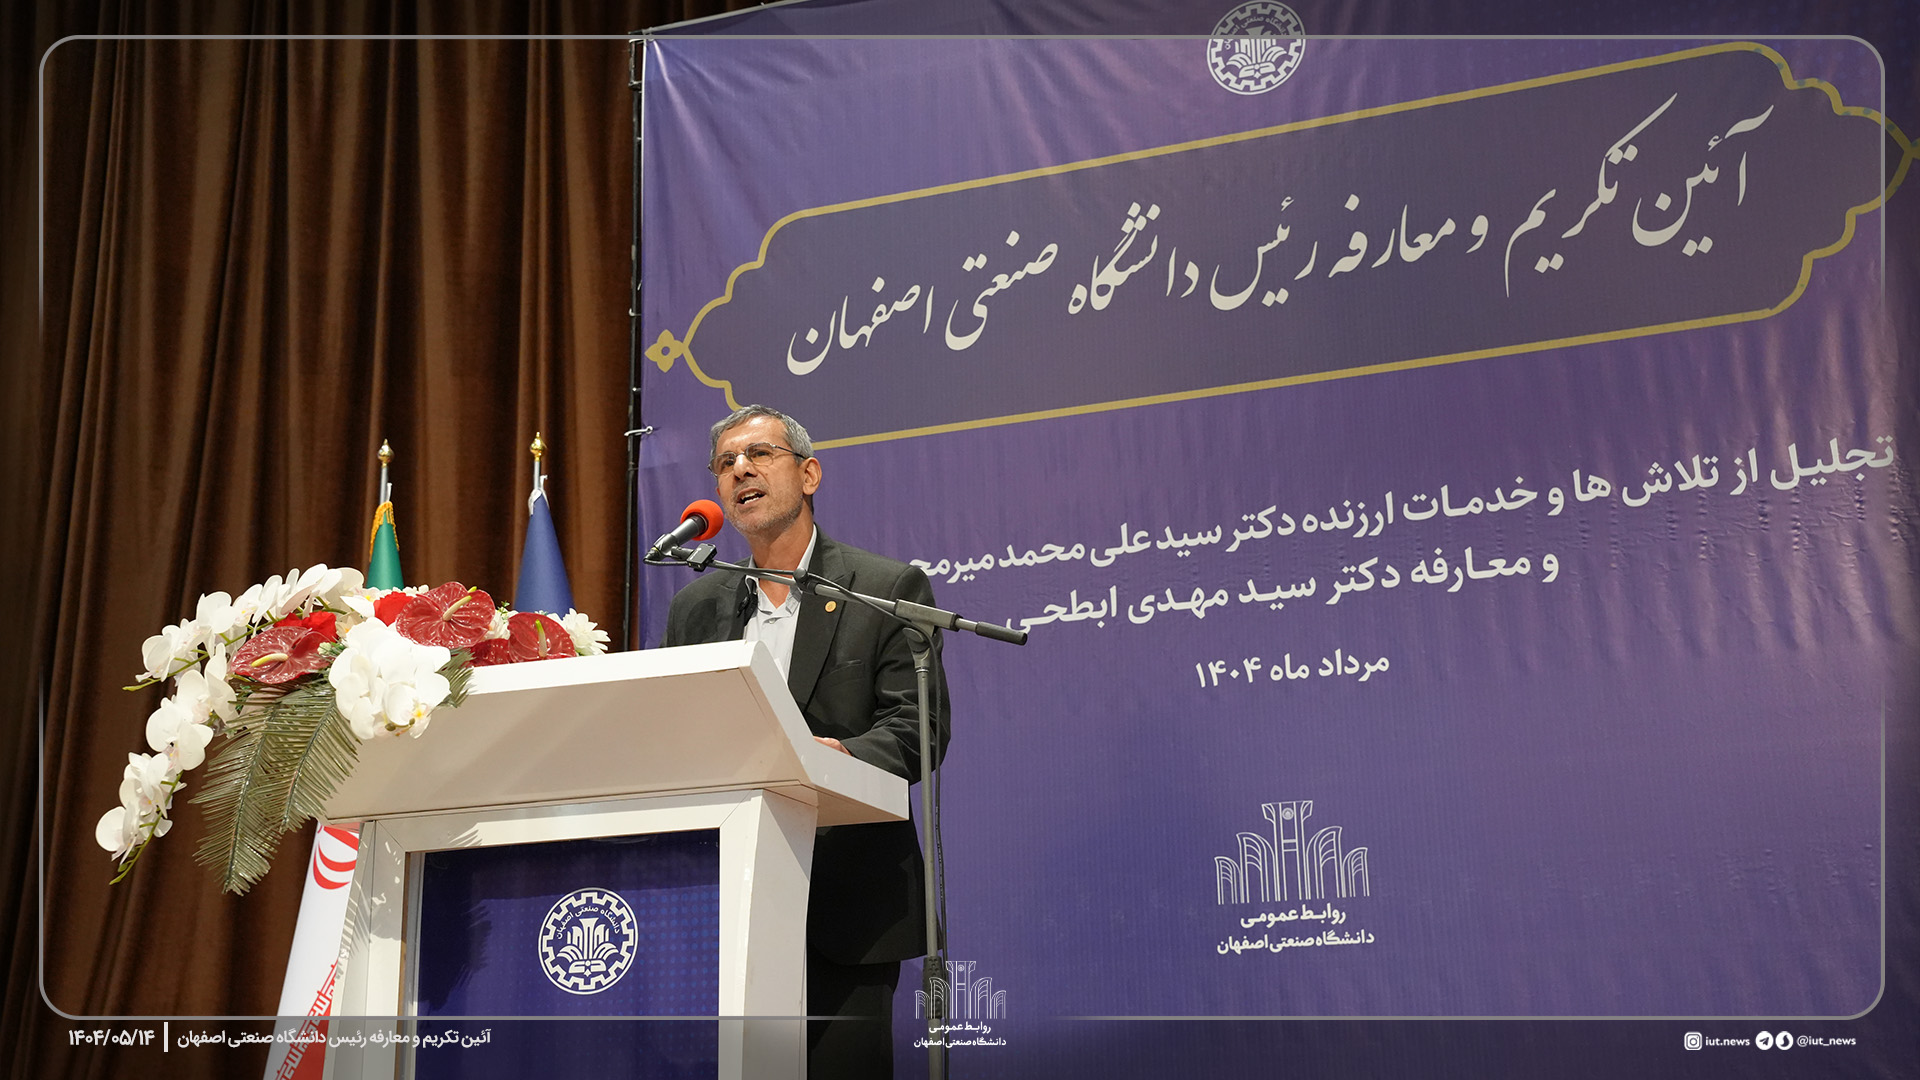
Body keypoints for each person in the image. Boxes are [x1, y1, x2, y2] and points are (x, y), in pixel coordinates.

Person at [662, 404, 949, 1079]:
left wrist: (841, 757)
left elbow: (918, 729)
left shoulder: (884, 589)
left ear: (809, 474)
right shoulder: (697, 609)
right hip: (726, 904)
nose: (740, 470)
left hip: (846, 904)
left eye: (759, 454)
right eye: (726, 463)